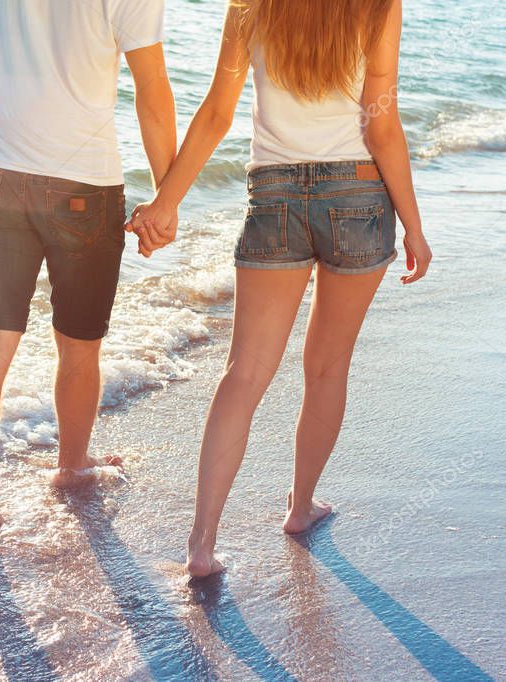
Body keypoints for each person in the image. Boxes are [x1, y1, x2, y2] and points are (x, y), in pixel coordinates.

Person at [129, 0, 432, 576]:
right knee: (327, 367)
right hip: (358, 197)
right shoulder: (378, 6)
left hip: (274, 197)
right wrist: (414, 226)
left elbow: (218, 112)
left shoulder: (251, 5)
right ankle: (299, 507)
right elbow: (382, 121)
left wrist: (166, 200)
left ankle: (201, 545)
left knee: (243, 374)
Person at [0, 0, 177, 543]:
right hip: (86, 188)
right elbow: (152, 92)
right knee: (78, 345)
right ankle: (72, 464)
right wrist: (167, 195)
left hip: (3, 180)